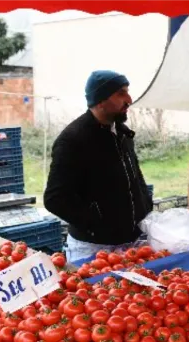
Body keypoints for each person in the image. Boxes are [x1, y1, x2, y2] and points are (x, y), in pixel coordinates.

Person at [44, 70, 153, 262]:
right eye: (120, 93)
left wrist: (145, 207)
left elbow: (135, 177)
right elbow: (55, 198)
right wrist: (95, 223)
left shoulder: (122, 133)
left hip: (131, 243)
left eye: (127, 91)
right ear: (100, 100)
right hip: (93, 250)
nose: (129, 99)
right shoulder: (73, 140)